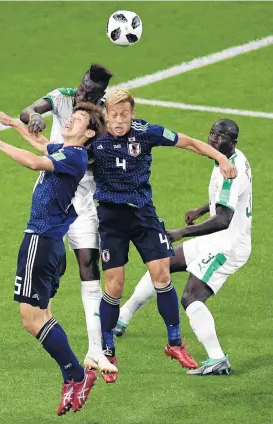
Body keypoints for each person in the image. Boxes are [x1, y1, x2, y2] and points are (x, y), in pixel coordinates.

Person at [91, 90, 238, 380]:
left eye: (124, 115)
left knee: (162, 276)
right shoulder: (93, 138)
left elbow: (190, 143)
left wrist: (221, 158)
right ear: (105, 114)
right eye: (113, 115)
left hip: (144, 216)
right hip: (111, 220)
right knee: (114, 286)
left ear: (133, 113)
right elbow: (59, 153)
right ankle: (107, 352)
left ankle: (175, 344)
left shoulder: (146, 132)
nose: (119, 121)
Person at [0, 102, 107, 415]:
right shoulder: (68, 151)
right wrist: (12, 121)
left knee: (31, 319)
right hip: (49, 242)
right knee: (43, 315)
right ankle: (73, 377)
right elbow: (40, 143)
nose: (69, 120)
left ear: (88, 133)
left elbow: (36, 162)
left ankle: (76, 374)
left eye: (78, 119)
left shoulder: (74, 156)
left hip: (41, 240)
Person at [113, 119, 251, 376]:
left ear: (234, 142)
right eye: (212, 133)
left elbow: (223, 219)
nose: (213, 140)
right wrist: (201, 209)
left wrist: (181, 232)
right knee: (165, 261)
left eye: (220, 137)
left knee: (190, 298)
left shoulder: (232, 171)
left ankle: (217, 358)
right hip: (217, 239)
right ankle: (122, 318)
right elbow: (228, 200)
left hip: (227, 247)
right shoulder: (230, 158)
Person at [19, 64, 117, 381]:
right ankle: (51, 320)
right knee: (49, 268)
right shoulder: (62, 97)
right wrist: (31, 116)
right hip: (52, 200)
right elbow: (29, 110)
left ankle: (96, 350)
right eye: (83, 85)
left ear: (100, 95)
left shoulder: (101, 118)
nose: (83, 92)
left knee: (89, 272)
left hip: (85, 204)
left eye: (91, 91)